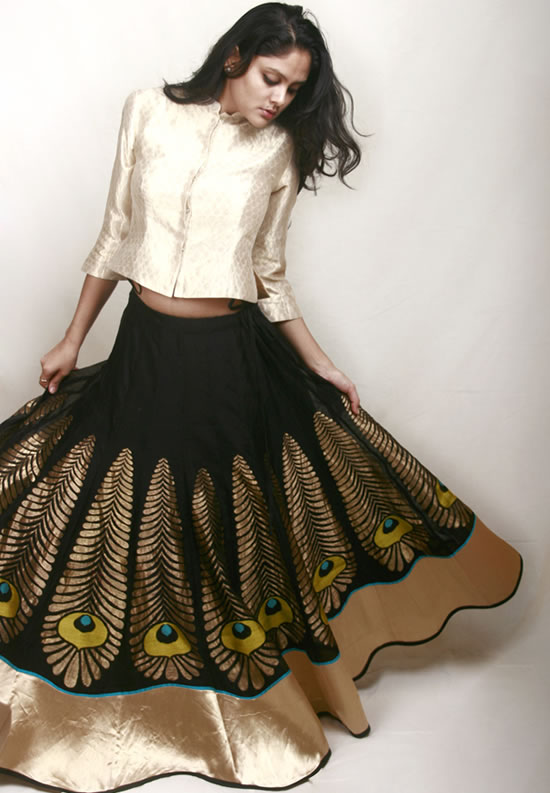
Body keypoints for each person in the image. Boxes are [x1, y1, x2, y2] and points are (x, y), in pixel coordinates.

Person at [0, 3, 522, 791]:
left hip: (228, 359)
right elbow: (113, 234)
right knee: (112, 502)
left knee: (220, 521)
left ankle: (231, 702)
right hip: (145, 350)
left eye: (294, 89)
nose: (280, 99)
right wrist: (72, 339)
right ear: (235, 57)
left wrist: (324, 363)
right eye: (272, 78)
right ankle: (106, 701)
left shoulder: (279, 149)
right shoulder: (148, 111)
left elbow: (269, 274)